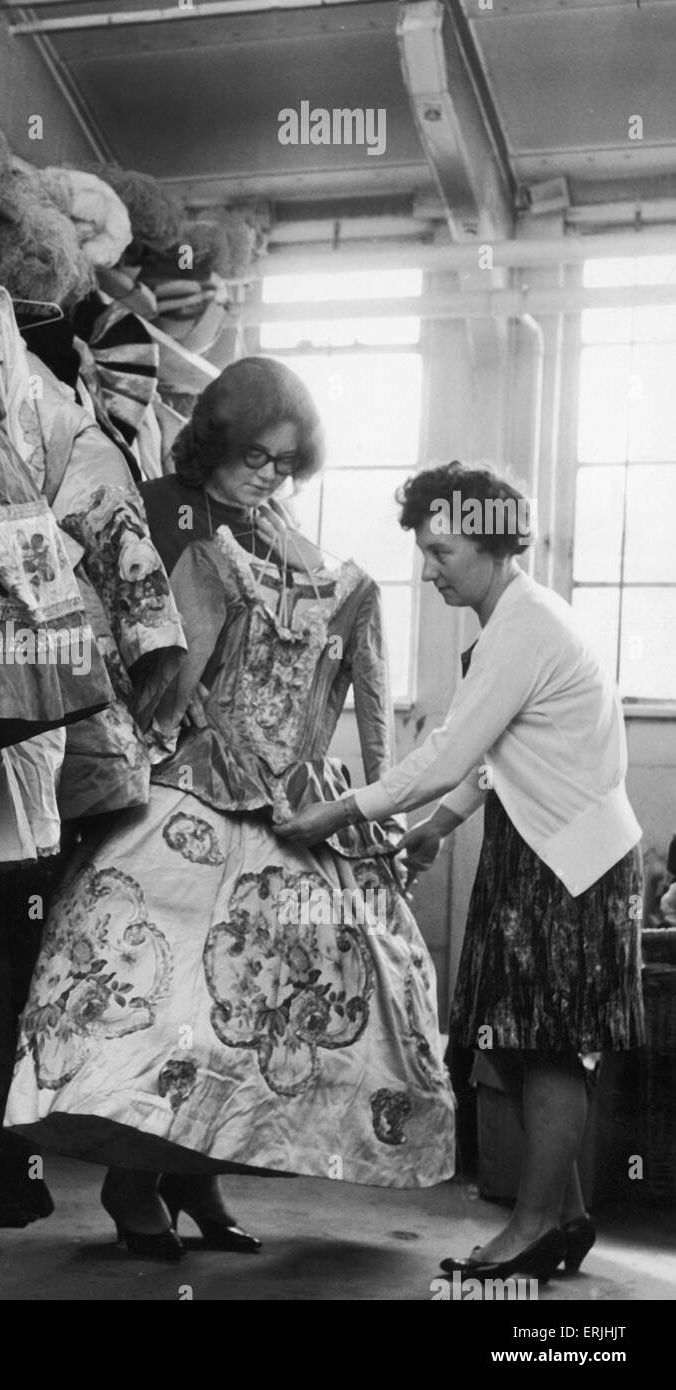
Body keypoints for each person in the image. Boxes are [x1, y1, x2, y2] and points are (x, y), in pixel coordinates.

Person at [4, 358, 455, 1260]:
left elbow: (328, 637)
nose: (270, 478)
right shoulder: (163, 510)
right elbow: (135, 648)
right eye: (257, 456)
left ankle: (195, 1174)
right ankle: (138, 1183)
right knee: (165, 982)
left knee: (270, 991)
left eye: (288, 465)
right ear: (216, 438)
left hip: (278, 794)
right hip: (179, 771)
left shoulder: (272, 526)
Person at [278, 461, 645, 1281]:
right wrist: (438, 832)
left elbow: (444, 756)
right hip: (544, 850)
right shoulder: (517, 621)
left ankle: (534, 1223)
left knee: (547, 1049)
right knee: (515, 1047)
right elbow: (493, 761)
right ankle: (565, 1216)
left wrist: (336, 812)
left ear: (491, 543)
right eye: (425, 550)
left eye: (442, 551)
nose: (429, 567)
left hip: (569, 863)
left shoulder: (524, 628)